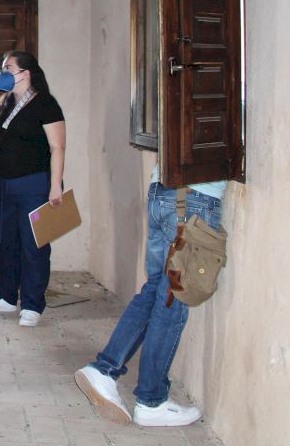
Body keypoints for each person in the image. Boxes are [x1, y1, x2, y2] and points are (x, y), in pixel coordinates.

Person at [74, 165, 225, 427]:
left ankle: (104, 370)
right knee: (173, 299)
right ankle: (151, 401)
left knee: (156, 290)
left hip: (162, 191)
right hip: (195, 196)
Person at [0, 50, 66, 327]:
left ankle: (33, 304)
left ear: (26, 73)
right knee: (6, 242)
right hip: (4, 185)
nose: (3, 73)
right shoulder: (6, 105)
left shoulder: (45, 104)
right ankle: (6, 297)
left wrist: (55, 186)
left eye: (8, 68)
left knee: (33, 245)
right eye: (3, 68)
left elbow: (58, 146)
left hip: (34, 184)